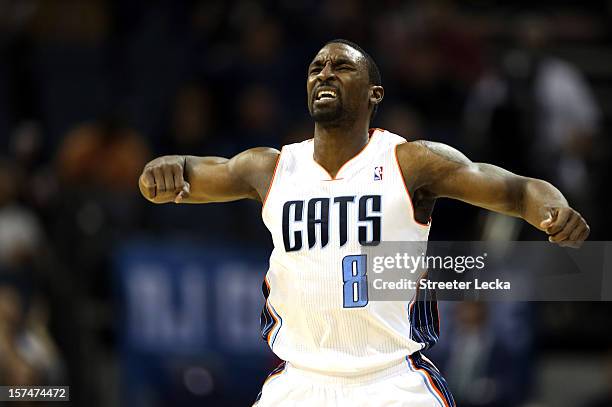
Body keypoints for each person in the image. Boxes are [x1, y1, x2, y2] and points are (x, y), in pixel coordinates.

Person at [138, 39, 590, 407]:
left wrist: (552, 211)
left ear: (375, 94)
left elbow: (515, 188)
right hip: (298, 383)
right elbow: (185, 174)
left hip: (392, 382)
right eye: (316, 67)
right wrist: (161, 168)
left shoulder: (410, 161)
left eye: (342, 66)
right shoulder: (271, 167)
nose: (325, 73)